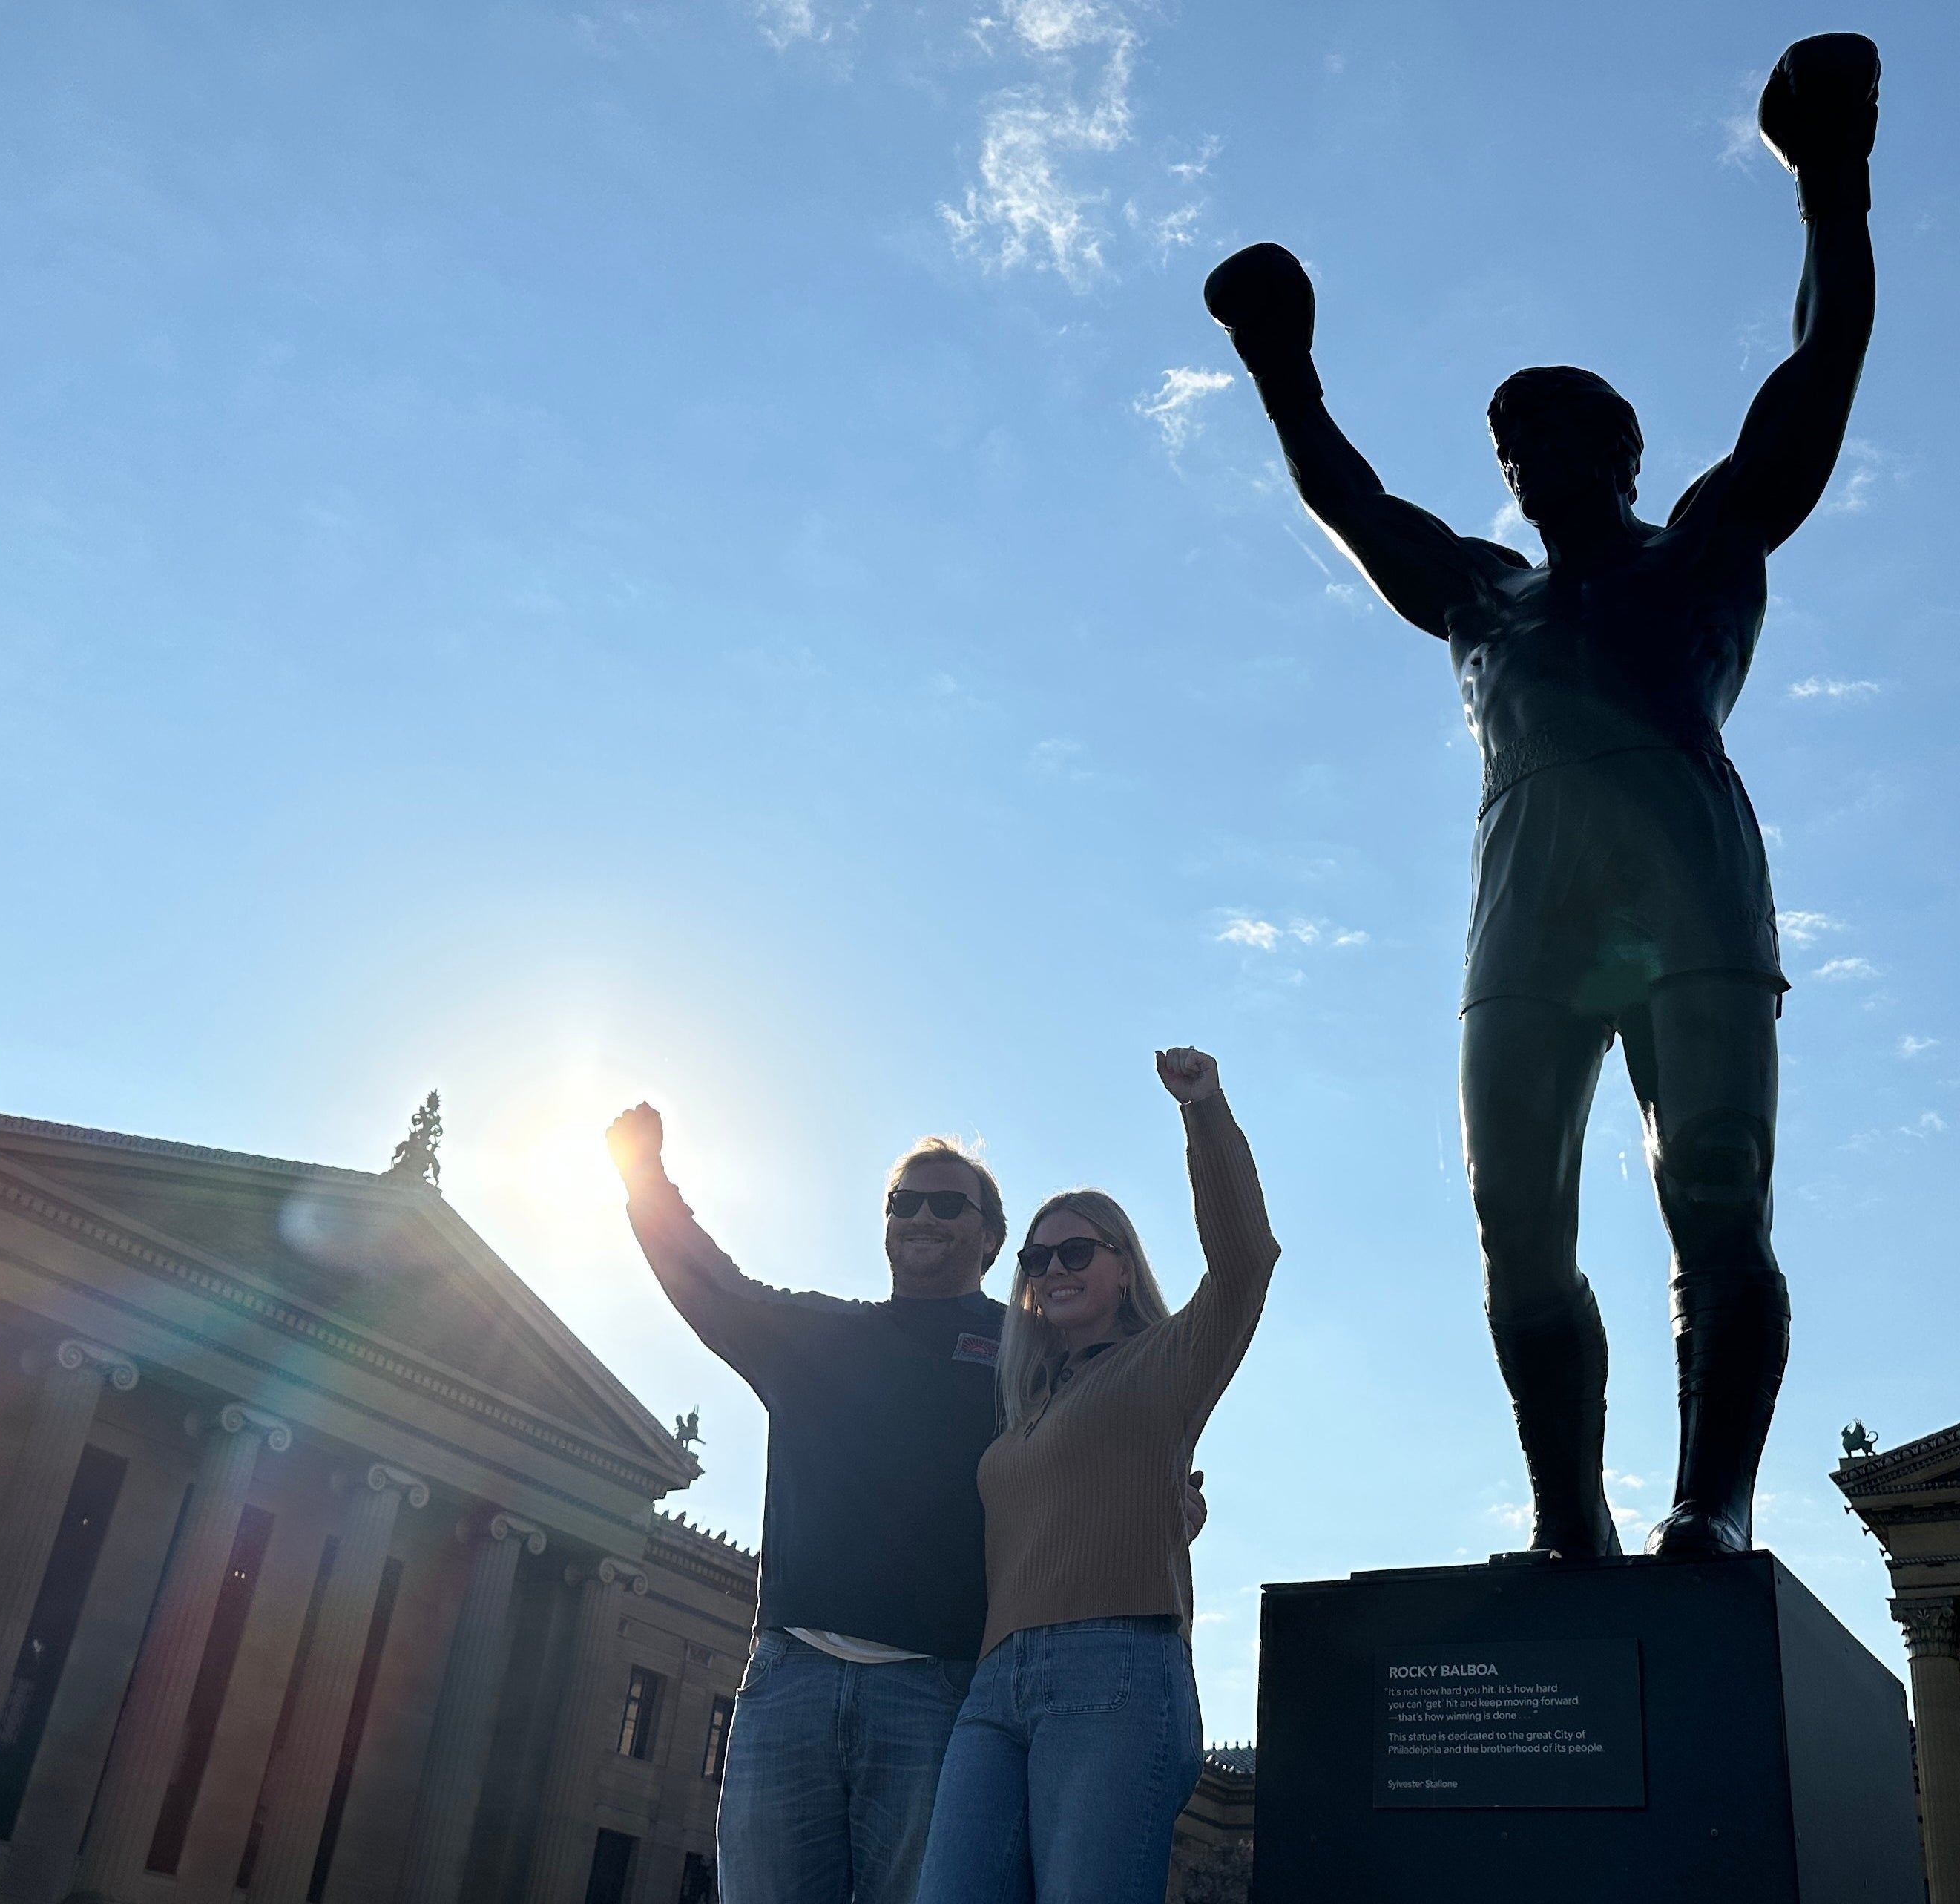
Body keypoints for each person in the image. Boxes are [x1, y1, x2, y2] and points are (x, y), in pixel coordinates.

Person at [1200, 33, 1880, 1558]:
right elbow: (1350, 498)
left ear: (1626, 452)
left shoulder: (1703, 544)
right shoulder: (1481, 600)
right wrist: (1281, 367)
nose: (1533, 451)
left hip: (1688, 887)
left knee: (1712, 1194)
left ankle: (1710, 1498)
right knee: (1517, 1229)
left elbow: (1816, 369)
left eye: (1565, 427)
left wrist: (1828, 182)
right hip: (1525, 910)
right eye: (1512, 438)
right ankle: (1569, 1517)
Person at [605, 1106, 1205, 1904]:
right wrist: (643, 1174)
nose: (922, 1215)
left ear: (992, 1241)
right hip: (790, 1681)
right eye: (905, 1203)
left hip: (938, 1691)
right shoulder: (811, 1335)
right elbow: (711, 1285)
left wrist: (1161, 1503)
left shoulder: (1027, 1354)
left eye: (947, 1203)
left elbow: (1120, 1425)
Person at [914, 1046, 1279, 1904]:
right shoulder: (1023, 1401)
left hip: (1112, 1667)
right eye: (1036, 1261)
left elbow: (1246, 1259)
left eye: (1076, 1251)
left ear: (1122, 1264)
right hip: (994, 1687)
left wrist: (1204, 1113)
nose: (1054, 1272)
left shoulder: (1167, 1360)